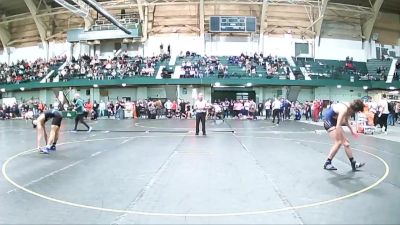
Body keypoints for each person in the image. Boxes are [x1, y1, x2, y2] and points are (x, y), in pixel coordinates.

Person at [322, 99, 365, 171]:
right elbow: (338, 125)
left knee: (346, 143)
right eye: (355, 112)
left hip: (334, 121)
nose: (354, 113)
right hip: (328, 121)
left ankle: (353, 162)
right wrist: (341, 138)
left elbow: (346, 121)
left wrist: (352, 131)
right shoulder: (344, 109)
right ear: (353, 109)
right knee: (339, 142)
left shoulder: (350, 108)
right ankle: (327, 163)